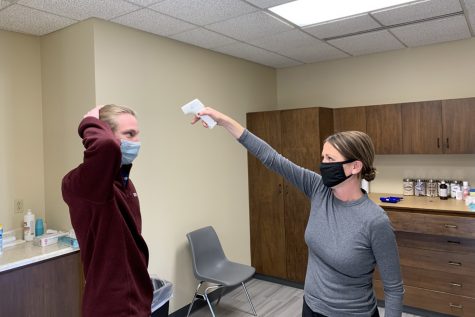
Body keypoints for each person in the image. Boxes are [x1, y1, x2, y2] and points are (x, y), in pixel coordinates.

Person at [190, 107, 404, 317]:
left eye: (330, 159)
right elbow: (271, 157)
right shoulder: (319, 188)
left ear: (356, 166)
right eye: (323, 158)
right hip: (310, 306)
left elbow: (394, 289)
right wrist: (224, 121)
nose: (323, 165)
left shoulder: (375, 221)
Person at [62, 105, 152, 317]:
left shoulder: (125, 184)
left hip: (138, 299)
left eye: (137, 134)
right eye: (129, 134)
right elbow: (106, 147)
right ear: (104, 133)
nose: (136, 142)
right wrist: (89, 121)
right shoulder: (83, 184)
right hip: (112, 306)